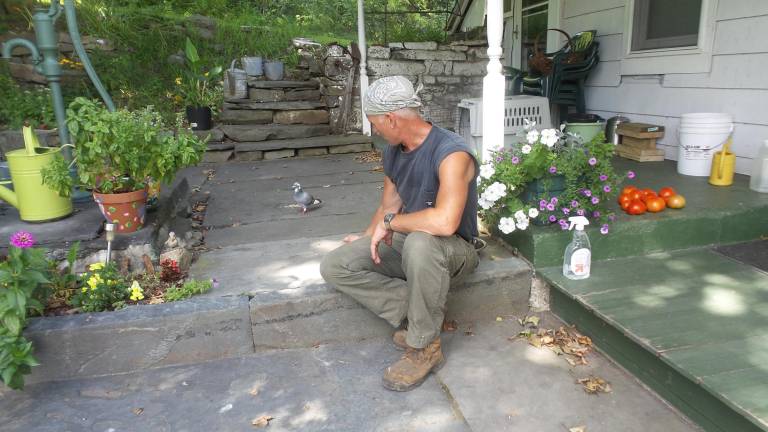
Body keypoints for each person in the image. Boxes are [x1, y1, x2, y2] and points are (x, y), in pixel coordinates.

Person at [320, 76, 480, 391]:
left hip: (455, 250)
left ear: (392, 118)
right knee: (336, 265)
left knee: (421, 242)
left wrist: (391, 223)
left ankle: (424, 346)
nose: (374, 131)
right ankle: (421, 308)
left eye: (375, 124)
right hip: (413, 243)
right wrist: (368, 238)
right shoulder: (394, 151)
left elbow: (445, 223)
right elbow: (387, 207)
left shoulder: (452, 153)